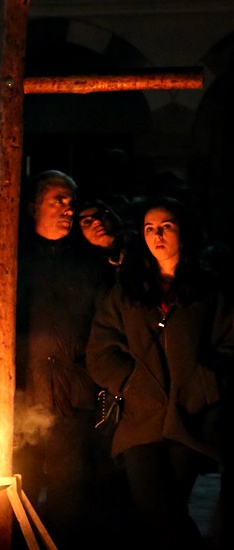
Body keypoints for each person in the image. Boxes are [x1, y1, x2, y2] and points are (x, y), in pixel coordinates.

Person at [0, 169, 115, 548]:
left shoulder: (89, 263)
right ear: (34, 206)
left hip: (72, 395)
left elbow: (106, 326)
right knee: (18, 483)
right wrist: (7, 367)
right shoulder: (9, 256)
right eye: (58, 200)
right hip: (15, 395)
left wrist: (88, 372)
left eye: (71, 201)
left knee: (69, 491)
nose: (68, 209)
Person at [87, 196, 234, 550]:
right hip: (141, 420)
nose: (158, 235)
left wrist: (203, 385)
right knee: (155, 509)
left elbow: (229, 346)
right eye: (150, 228)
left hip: (189, 419)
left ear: (182, 232)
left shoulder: (209, 289)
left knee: (168, 514)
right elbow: (100, 349)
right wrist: (132, 384)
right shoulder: (127, 290)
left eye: (166, 226)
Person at [76, 198, 127, 268]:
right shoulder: (81, 267)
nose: (97, 222)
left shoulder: (138, 244)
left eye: (101, 216)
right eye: (87, 221)